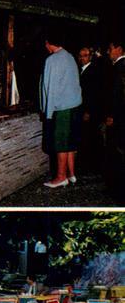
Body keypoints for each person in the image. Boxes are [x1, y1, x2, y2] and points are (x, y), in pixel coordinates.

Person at [39, 32, 82, 188]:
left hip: (61, 109)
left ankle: (60, 177)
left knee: (60, 143)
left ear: (49, 43)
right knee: (70, 142)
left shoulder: (52, 60)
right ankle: (71, 174)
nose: (45, 46)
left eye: (46, 43)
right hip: (74, 106)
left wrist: (48, 113)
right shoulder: (69, 56)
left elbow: (51, 88)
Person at [78, 47, 105, 173]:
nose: (82, 58)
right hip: (85, 109)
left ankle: (90, 166)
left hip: (89, 110)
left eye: (85, 55)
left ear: (90, 57)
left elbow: (93, 94)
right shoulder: (82, 70)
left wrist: (88, 111)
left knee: (89, 138)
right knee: (86, 137)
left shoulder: (92, 71)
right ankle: (89, 164)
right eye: (81, 56)